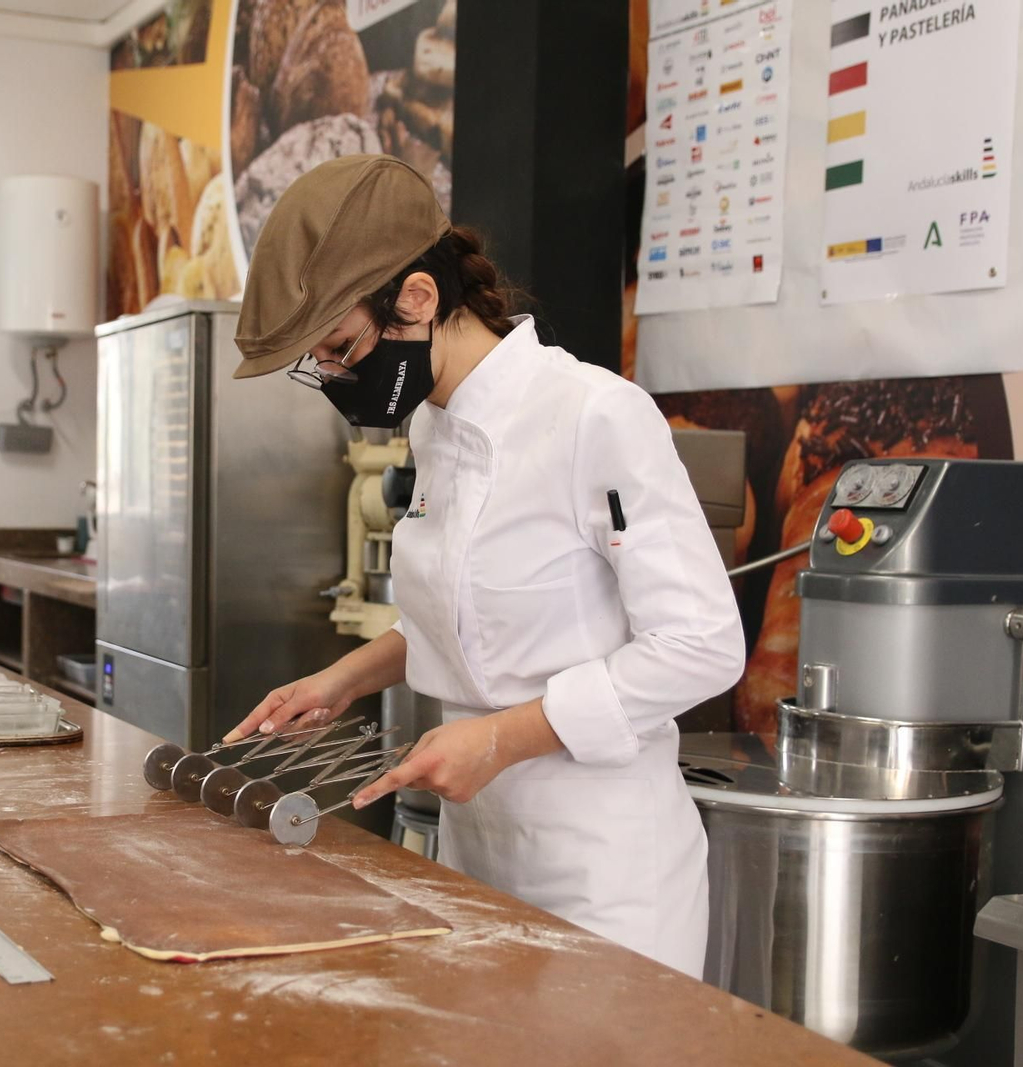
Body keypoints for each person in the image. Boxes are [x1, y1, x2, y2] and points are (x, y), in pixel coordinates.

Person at [225, 155, 745, 977]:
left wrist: (500, 738)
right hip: (477, 857)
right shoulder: (434, 427)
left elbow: (701, 645)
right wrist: (340, 680)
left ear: (418, 299)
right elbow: (468, 613)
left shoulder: (594, 416)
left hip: (605, 876)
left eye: (341, 348)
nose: (335, 376)